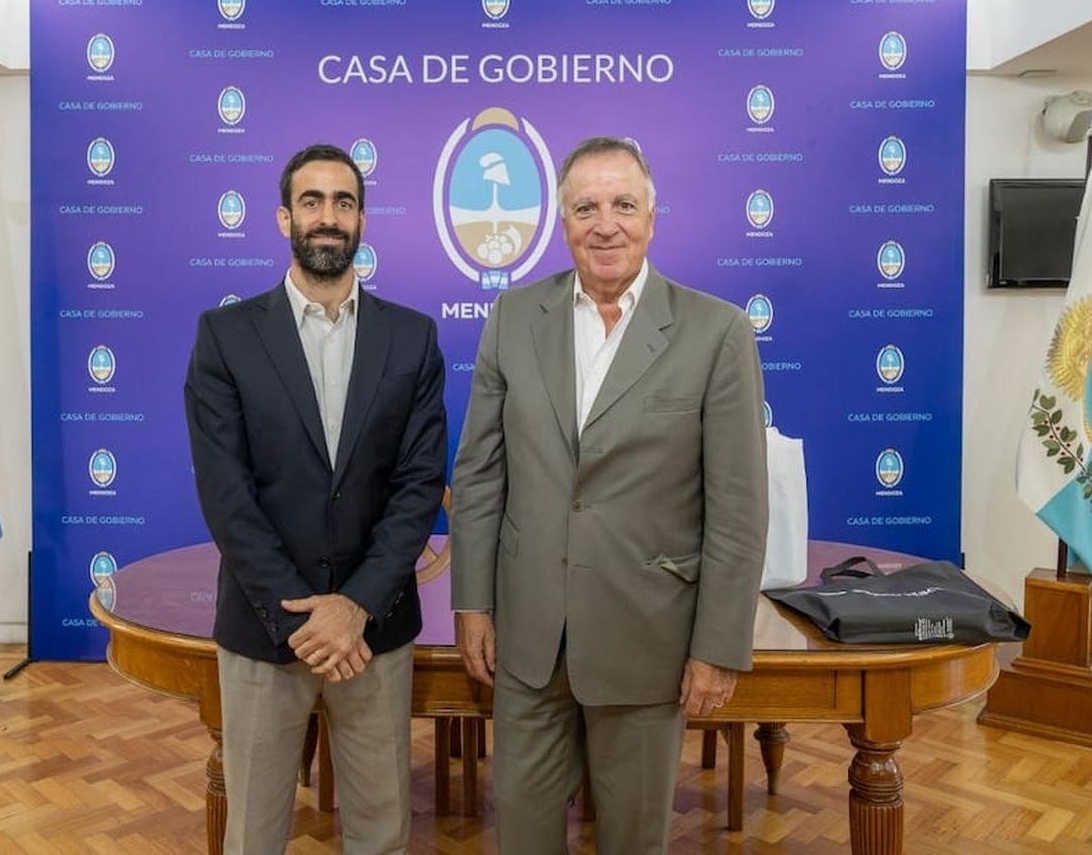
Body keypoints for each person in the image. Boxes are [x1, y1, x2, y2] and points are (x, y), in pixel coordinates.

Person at [450, 136, 768, 853]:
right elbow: (477, 475)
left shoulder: (716, 332)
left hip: (647, 639)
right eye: (585, 207)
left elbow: (738, 507)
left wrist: (717, 644)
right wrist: (471, 603)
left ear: (652, 218)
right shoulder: (511, 318)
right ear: (561, 223)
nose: (605, 224)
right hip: (525, 644)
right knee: (522, 838)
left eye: (623, 204)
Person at [184, 143, 447, 855]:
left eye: (343, 202)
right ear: (282, 218)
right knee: (255, 834)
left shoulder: (411, 338)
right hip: (267, 631)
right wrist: (305, 618)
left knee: (381, 830)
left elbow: (418, 486)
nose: (327, 217)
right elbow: (225, 493)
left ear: (362, 220)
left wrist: (353, 607)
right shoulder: (225, 336)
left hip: (374, 632)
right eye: (312, 201)